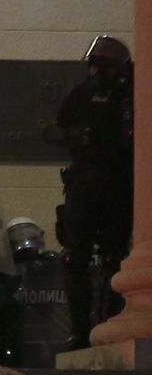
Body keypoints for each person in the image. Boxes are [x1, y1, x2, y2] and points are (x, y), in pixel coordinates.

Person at [49, 34, 134, 344]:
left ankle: (108, 322)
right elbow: (53, 128)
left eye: (103, 67)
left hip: (119, 186)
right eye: (94, 66)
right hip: (84, 185)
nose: (96, 73)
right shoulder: (82, 94)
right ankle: (80, 331)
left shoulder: (134, 95)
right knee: (74, 257)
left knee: (116, 258)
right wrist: (70, 136)